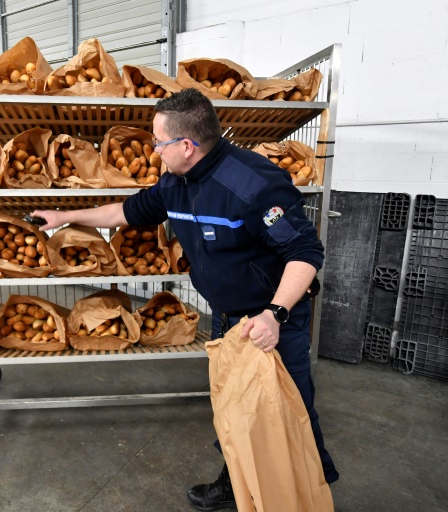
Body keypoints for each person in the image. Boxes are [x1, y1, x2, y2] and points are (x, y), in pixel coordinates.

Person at [32, 88, 339, 511]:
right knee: (237, 410)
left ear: (186, 145)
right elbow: (124, 211)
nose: (155, 151)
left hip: (273, 321)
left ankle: (310, 492)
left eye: (158, 142)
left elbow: (305, 253)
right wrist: (65, 217)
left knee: (289, 412)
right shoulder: (175, 183)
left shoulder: (254, 184)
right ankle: (237, 484)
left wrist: (275, 314)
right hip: (229, 317)